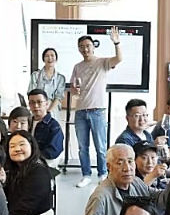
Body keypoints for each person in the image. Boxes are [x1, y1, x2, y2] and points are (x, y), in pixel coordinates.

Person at [70, 27, 122, 188]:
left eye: (87, 46)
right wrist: (74, 89)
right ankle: (86, 175)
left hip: (97, 111)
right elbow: (73, 88)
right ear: (79, 49)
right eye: (81, 47)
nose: (85, 49)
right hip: (80, 111)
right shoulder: (77, 66)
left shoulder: (102, 62)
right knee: (82, 147)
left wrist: (117, 43)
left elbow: (119, 59)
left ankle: (102, 174)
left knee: (100, 146)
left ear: (93, 46)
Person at [4, 130, 54, 215]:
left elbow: (25, 207)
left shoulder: (38, 172)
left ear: (32, 146)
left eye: (22, 144)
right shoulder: (15, 170)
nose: (17, 149)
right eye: (12, 146)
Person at [29, 47, 68, 117]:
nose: (50, 58)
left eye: (52, 55)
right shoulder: (35, 75)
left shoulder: (60, 78)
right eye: (47, 56)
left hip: (53, 110)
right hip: (37, 108)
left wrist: (49, 111)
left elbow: (58, 97)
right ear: (43, 59)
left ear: (56, 59)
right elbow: (31, 93)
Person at [27, 88, 64, 161]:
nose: (36, 106)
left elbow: (53, 151)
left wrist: (33, 157)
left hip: (45, 163)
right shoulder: (27, 122)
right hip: (29, 161)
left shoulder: (53, 126)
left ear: (46, 104)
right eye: (32, 102)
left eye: (39, 102)